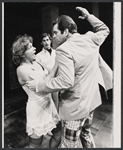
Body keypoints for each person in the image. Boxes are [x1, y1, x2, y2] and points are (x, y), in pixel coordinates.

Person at [26, 7, 113, 148]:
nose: (53, 36)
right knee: (86, 134)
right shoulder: (90, 38)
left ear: (66, 31)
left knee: (68, 145)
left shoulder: (64, 49)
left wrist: (40, 85)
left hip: (75, 110)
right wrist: (89, 16)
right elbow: (105, 30)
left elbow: (65, 81)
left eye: (55, 33)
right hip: (91, 103)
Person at [12, 34, 61, 148]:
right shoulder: (21, 69)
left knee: (58, 135)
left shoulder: (37, 63)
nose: (34, 48)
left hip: (49, 105)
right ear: (22, 53)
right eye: (30, 47)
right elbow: (44, 87)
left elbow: (52, 76)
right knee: (35, 145)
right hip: (37, 109)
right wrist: (57, 62)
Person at [36, 33, 59, 111]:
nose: (46, 42)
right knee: (48, 100)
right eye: (44, 40)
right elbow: (38, 69)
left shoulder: (56, 53)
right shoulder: (38, 56)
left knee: (56, 99)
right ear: (41, 43)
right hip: (46, 80)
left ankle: (57, 118)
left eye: (47, 40)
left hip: (56, 79)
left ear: (50, 41)